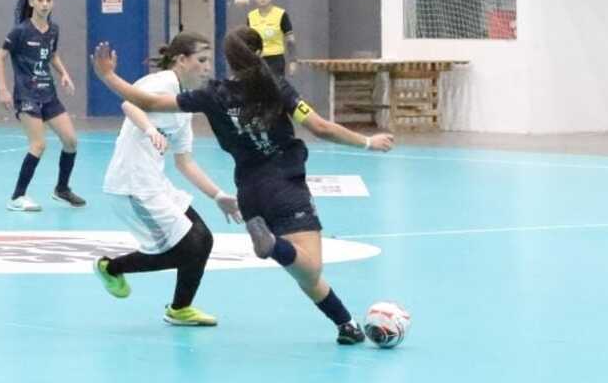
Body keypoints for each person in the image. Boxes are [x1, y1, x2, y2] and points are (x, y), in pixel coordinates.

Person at [91, 26, 395, 345]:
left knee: (298, 268)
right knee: (310, 268)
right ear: (260, 55)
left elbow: (146, 102)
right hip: (285, 187)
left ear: (229, 61)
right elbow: (320, 127)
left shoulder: (213, 95)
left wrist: (108, 77)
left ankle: (346, 324)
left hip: (249, 195)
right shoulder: (276, 88)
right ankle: (273, 247)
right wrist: (368, 142)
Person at [94, 32, 241, 326]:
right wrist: (149, 128)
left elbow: (184, 162)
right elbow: (129, 105)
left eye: (209, 61)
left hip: (155, 182)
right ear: (181, 61)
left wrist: (219, 196)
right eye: (201, 60)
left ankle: (180, 308)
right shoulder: (159, 83)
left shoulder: (184, 105)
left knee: (203, 239)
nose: (207, 67)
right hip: (132, 185)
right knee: (185, 249)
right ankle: (111, 268)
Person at [0, 0, 86, 212]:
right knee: (38, 144)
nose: (45, 4)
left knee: (71, 141)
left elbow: (52, 55)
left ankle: (62, 189)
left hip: (49, 94)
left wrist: (64, 74)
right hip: (27, 95)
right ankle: (17, 197)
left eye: (49, 0)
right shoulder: (20, 31)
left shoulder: (53, 30)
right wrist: (3, 89)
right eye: (40, 0)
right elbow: (0, 57)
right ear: (31, 2)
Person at [247, 0, 297, 77]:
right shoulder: (251, 16)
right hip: (257, 60)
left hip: (275, 60)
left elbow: (290, 39)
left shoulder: (281, 14)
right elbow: (248, 42)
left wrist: (293, 61)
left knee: (275, 89)